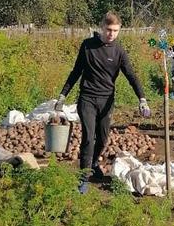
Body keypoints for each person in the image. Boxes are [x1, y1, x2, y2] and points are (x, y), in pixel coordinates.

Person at [55, 12, 151, 193]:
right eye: (109, 30)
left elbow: (131, 76)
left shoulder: (118, 51)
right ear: (102, 27)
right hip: (87, 98)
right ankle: (83, 178)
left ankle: (93, 162)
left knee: (103, 138)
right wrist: (62, 96)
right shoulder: (87, 46)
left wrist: (142, 99)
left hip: (107, 99)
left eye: (115, 31)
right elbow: (76, 72)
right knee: (88, 137)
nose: (111, 34)